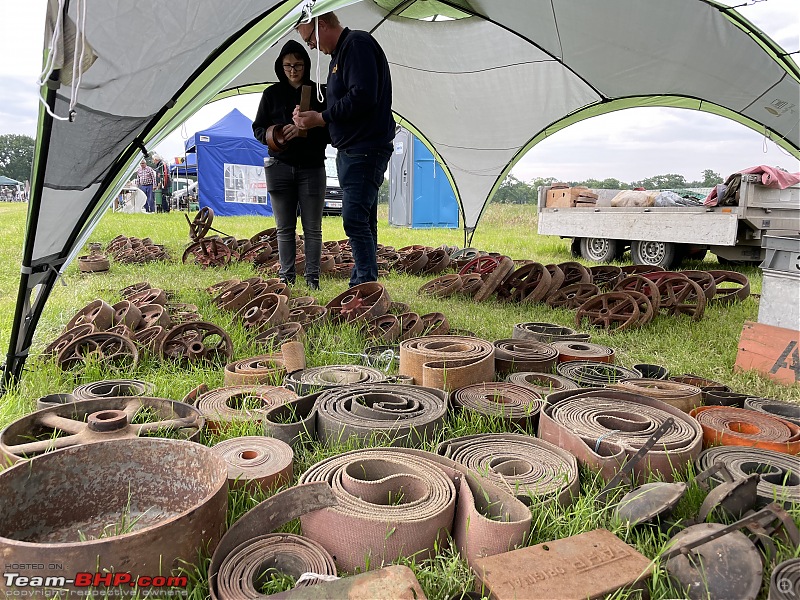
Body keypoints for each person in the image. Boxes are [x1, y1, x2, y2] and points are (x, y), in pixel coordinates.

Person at [293, 12, 394, 287]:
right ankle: (364, 281)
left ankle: (363, 286)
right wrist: (313, 119)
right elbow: (346, 106)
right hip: (354, 149)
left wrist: (321, 118)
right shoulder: (341, 55)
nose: (311, 45)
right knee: (363, 220)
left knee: (353, 220)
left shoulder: (356, 45)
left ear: (322, 25)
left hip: (365, 149)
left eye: (310, 38)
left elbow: (362, 96)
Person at [253, 39, 329, 290]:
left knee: (312, 228)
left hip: (312, 166)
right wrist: (275, 133)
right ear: (280, 66)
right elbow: (258, 128)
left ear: (306, 65)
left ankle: (312, 279)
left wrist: (306, 130)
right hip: (279, 166)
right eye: (287, 66)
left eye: (297, 65)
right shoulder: (271, 94)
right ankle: (287, 277)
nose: (293, 70)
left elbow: (331, 130)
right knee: (284, 228)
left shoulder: (319, 92)